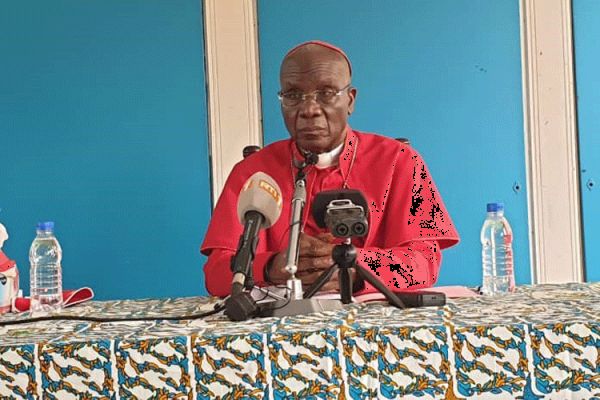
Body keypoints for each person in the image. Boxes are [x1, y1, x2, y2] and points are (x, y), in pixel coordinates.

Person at [201, 40, 459, 297]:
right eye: (292, 95)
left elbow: (424, 263)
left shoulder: (400, 161)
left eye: (326, 93)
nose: (309, 110)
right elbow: (216, 273)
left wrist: (355, 267)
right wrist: (270, 267)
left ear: (350, 100)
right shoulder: (252, 171)